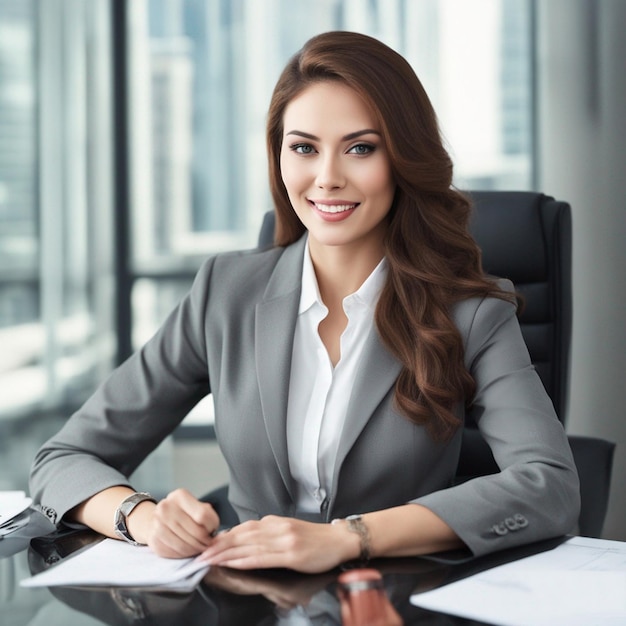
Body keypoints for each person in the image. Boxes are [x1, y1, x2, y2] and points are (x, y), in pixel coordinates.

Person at [29, 31, 580, 574]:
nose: (327, 178)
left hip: (393, 594)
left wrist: (350, 538)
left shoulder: (471, 314)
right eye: (304, 148)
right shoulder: (226, 291)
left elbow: (548, 485)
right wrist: (144, 519)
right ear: (280, 157)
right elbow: (64, 458)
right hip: (244, 593)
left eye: (360, 148)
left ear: (403, 160)